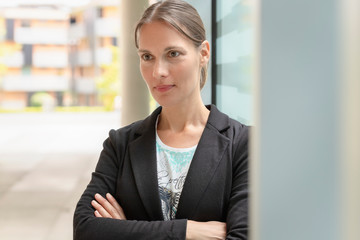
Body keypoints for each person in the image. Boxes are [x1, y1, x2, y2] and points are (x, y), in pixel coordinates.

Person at [73, 0, 248, 239]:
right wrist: (186, 231)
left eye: (173, 54)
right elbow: (85, 230)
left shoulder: (243, 144)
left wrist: (127, 231)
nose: (158, 72)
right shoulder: (120, 144)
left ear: (204, 53)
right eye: (147, 56)